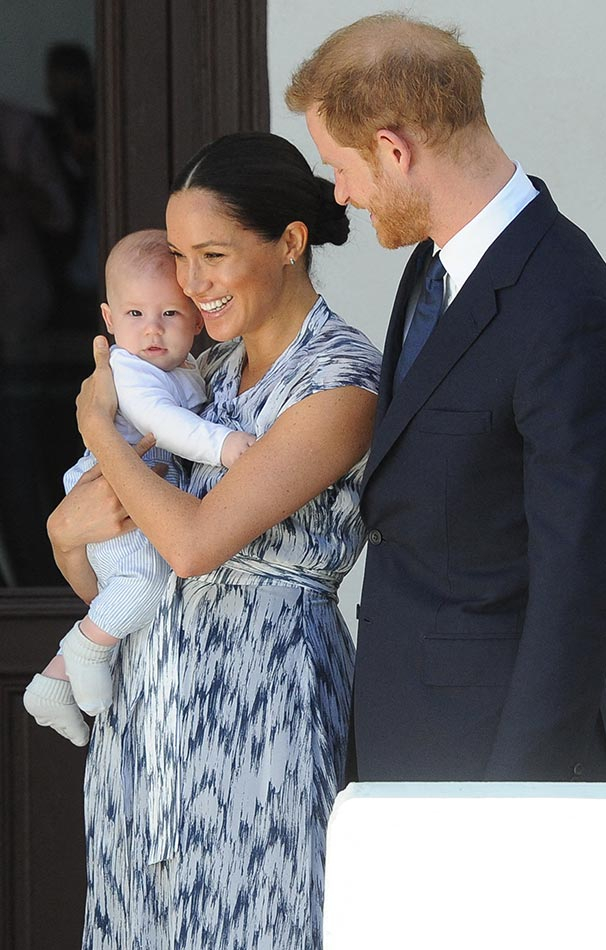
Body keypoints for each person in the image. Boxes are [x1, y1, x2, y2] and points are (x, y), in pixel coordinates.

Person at [286, 13, 606, 783]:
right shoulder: (430, 269)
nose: (340, 193)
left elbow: (576, 588)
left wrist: (513, 801)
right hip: (402, 745)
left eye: (339, 166)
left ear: (393, 147)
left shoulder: (567, 303)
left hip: (495, 772)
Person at [46, 131, 380, 948]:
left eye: (213, 255)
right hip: (147, 730)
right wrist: (62, 537)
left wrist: (101, 428)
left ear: (290, 243)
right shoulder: (203, 374)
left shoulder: (340, 380)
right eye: (180, 259)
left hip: (263, 719)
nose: (191, 286)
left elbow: (195, 545)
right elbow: (129, 570)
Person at [24, 228, 255, 743]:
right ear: (109, 320)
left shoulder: (188, 367)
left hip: (135, 492)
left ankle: (54, 682)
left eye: (169, 315)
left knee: (137, 583)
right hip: (109, 492)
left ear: (197, 317)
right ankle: (85, 648)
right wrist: (223, 446)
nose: (152, 330)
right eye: (134, 316)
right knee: (145, 582)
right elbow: (164, 424)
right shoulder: (128, 372)